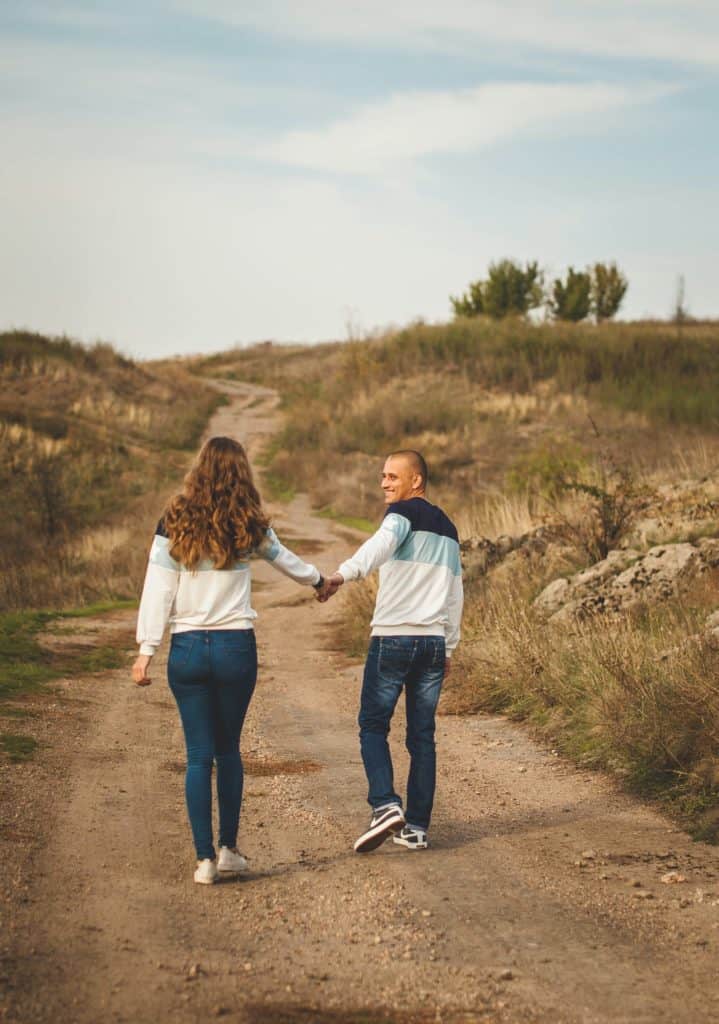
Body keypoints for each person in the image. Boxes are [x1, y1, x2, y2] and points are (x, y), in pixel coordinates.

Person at [132, 436, 325, 884]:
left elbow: (157, 589)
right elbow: (287, 561)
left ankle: (203, 862)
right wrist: (320, 581)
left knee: (198, 755)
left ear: (198, 469)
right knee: (229, 750)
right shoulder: (248, 523)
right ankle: (228, 851)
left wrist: (146, 650)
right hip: (236, 646)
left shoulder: (174, 520)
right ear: (243, 473)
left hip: (188, 649)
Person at [318, 450, 463, 853]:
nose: (384, 483)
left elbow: (379, 546)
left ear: (416, 480)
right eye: (382, 476)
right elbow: (455, 593)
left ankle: (384, 805)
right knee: (422, 738)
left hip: (394, 639)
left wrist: (341, 575)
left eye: (392, 476)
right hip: (432, 644)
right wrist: (448, 645)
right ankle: (416, 828)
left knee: (373, 726)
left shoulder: (400, 515)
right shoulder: (449, 529)